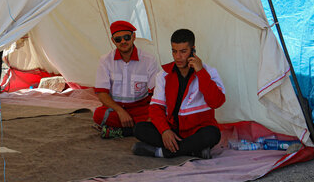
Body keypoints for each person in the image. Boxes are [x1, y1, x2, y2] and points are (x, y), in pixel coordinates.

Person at [132, 29, 225, 159]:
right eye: (174, 51)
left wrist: (201, 72)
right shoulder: (164, 74)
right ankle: (193, 150)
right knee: (139, 129)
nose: (177, 57)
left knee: (213, 134)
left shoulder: (209, 72)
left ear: (193, 50)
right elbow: (155, 107)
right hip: (173, 130)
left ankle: (162, 152)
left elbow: (216, 102)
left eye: (183, 51)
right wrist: (165, 130)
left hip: (197, 130)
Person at [93, 20, 160, 138]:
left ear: (133, 37)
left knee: (162, 114)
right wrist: (120, 111)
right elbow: (102, 94)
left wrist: (154, 112)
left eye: (126, 37)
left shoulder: (149, 59)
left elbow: (157, 91)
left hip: (140, 108)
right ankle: (139, 129)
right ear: (113, 41)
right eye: (118, 39)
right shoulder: (105, 60)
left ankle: (122, 131)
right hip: (116, 109)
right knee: (98, 115)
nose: (123, 41)